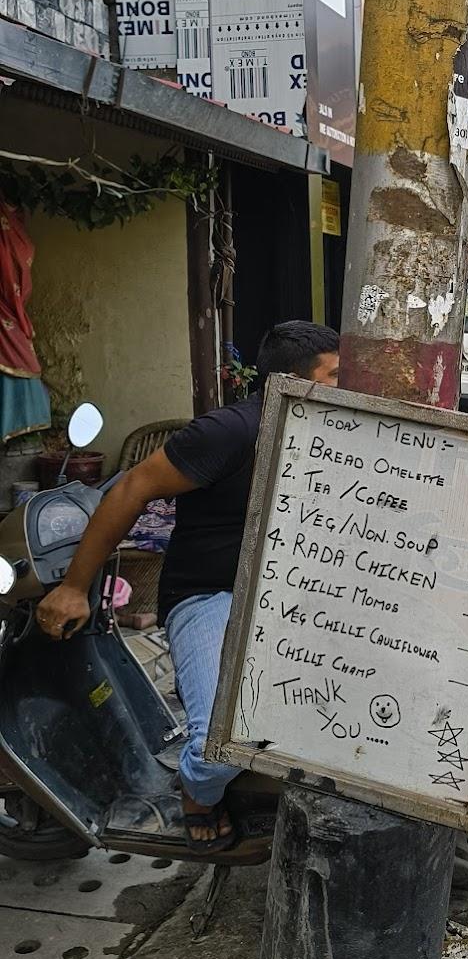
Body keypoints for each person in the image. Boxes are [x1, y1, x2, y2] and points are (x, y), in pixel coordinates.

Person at [37, 321, 340, 851]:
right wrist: (73, 586)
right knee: (217, 739)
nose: (352, 387)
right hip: (212, 596)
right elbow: (130, 488)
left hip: (294, 598)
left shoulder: (337, 432)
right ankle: (198, 794)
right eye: (338, 375)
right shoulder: (229, 431)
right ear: (296, 381)